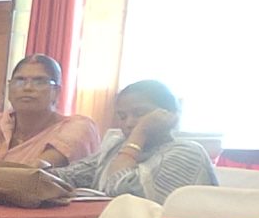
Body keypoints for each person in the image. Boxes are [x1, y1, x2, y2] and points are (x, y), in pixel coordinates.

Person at [54, 79, 220, 201]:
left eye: (140, 114)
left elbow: (121, 193)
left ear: (169, 114)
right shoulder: (116, 146)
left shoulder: (187, 153)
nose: (129, 123)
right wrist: (44, 175)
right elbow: (71, 175)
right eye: (122, 116)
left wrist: (139, 133)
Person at [0, 53, 102, 168]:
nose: (27, 88)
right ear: (9, 89)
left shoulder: (80, 127)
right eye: (20, 80)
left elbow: (35, 171)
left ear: (56, 92)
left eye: (39, 81)